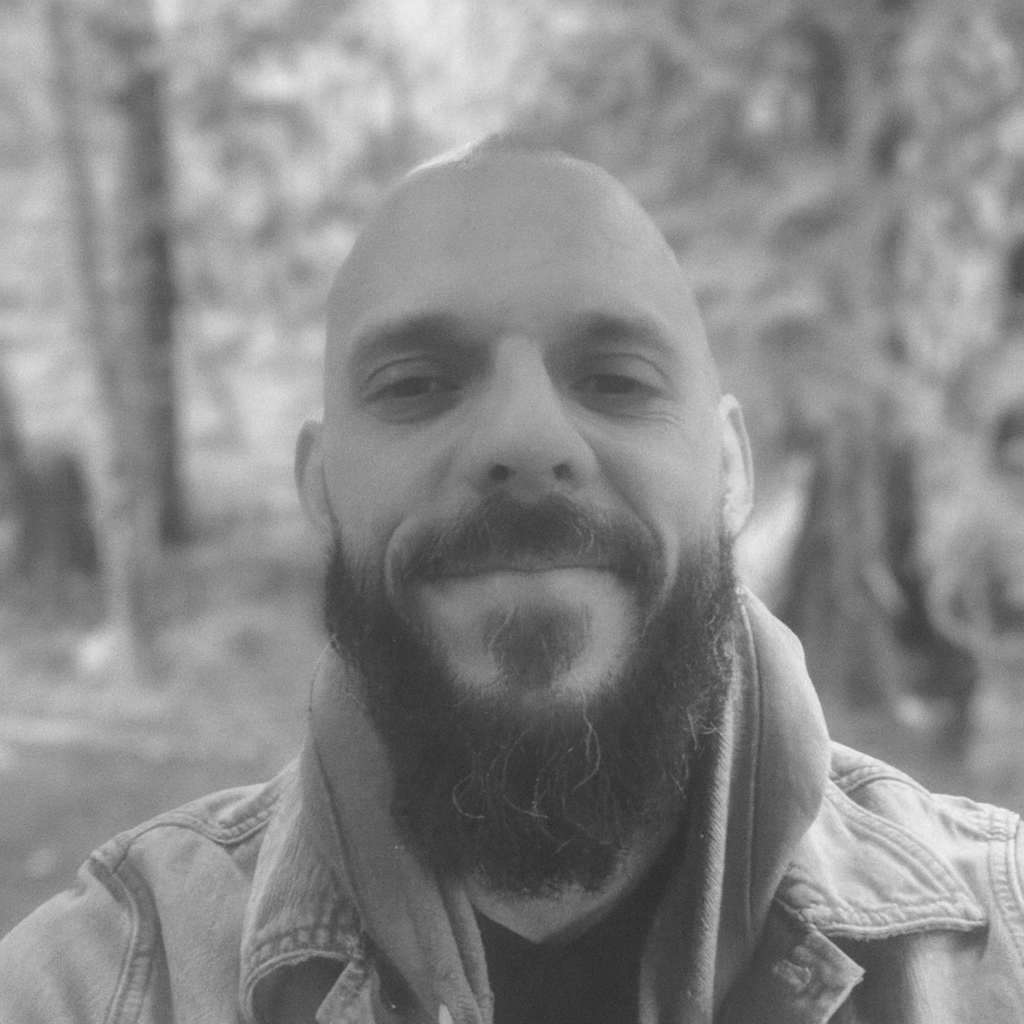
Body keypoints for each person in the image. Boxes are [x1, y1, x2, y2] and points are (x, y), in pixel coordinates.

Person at [2, 136, 1024, 1024]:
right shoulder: (89, 985)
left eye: (616, 379)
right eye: (416, 385)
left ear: (729, 473)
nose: (527, 438)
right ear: (321, 489)